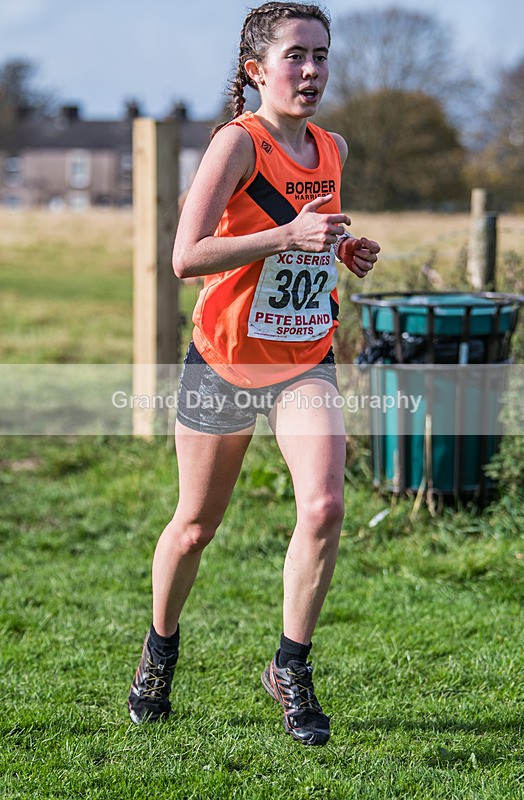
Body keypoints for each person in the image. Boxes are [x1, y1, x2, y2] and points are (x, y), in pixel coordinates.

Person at [128, 0, 380, 746]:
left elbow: (305, 237)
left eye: (321, 55)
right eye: (296, 55)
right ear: (255, 69)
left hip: (303, 353)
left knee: (325, 506)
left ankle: (290, 667)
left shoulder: (330, 147)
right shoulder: (235, 145)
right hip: (226, 358)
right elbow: (185, 258)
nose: (311, 71)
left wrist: (339, 248)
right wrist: (288, 233)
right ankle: (158, 651)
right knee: (196, 526)